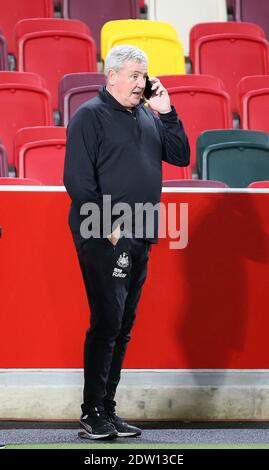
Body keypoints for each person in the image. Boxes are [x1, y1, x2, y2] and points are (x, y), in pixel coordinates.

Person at [64, 45, 190, 440]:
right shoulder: (89, 116)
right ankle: (92, 412)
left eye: (144, 75)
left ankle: (108, 408)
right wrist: (108, 226)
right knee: (108, 321)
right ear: (111, 76)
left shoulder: (148, 117)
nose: (141, 83)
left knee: (124, 324)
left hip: (142, 231)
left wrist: (166, 112)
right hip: (104, 232)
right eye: (134, 75)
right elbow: (78, 181)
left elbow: (181, 154)